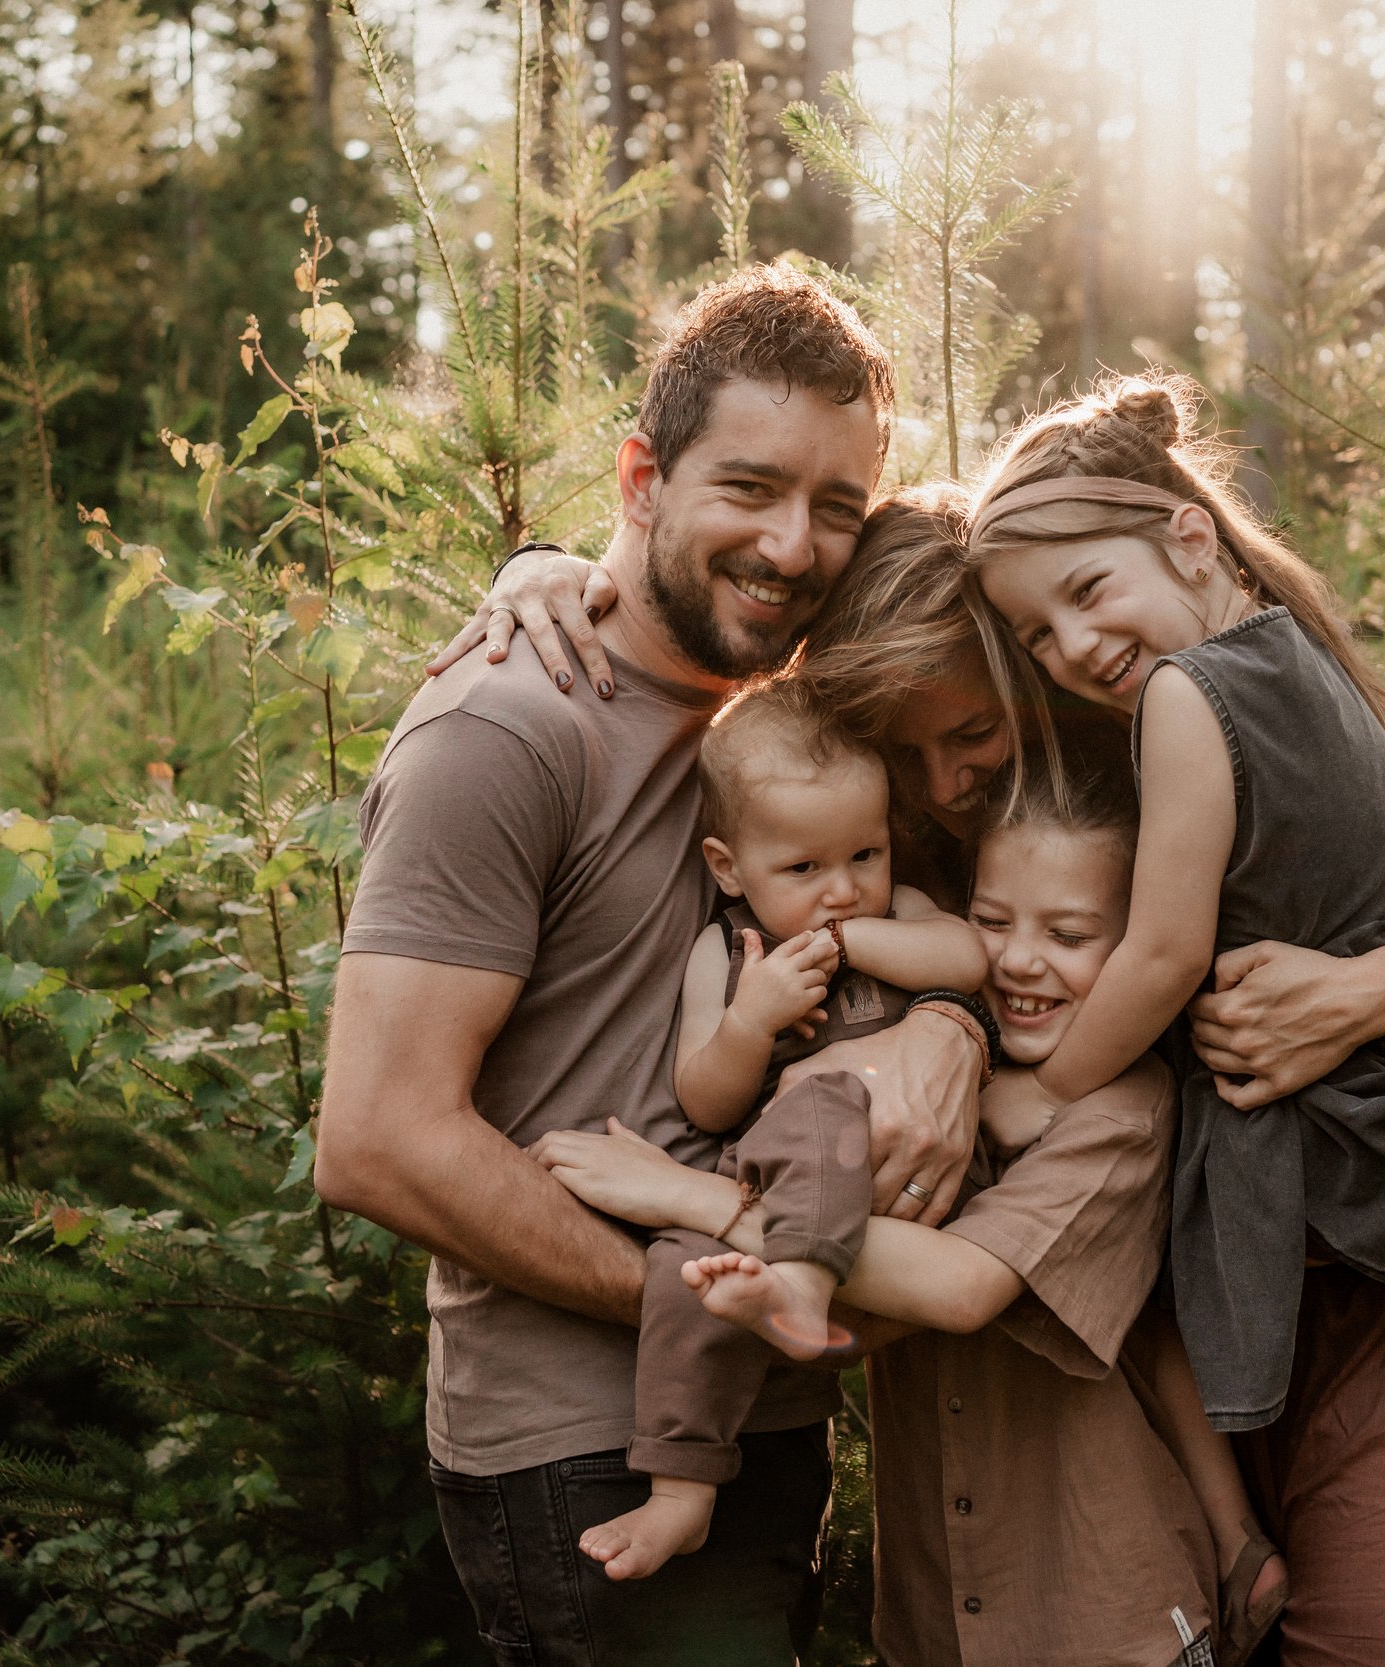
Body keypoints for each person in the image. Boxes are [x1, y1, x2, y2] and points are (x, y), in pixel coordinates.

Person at [449, 492, 1385, 1444]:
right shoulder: (862, 831)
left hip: (1354, 1258)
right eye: (905, 748)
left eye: (973, 734)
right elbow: (739, 620)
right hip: (1123, 1339)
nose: (942, 781)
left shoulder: (1152, 756)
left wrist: (1344, 999)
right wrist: (546, 567)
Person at [314, 267, 997, 1667]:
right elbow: (378, 1141)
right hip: (589, 1446)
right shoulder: (506, 729)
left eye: (835, 507)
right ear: (643, 476)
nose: (794, 545)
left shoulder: (784, 733)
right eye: (748, 486)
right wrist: (713, 1294)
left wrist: (951, 1032)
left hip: (751, 1429)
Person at [961, 372, 1385, 1664]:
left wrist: (1336, 1003)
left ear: (1191, 536)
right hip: (1242, 1281)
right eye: (1037, 633)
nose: (1071, 649)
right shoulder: (1213, 704)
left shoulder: (1212, 700)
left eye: (1089, 592)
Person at [530, 767, 1290, 1667]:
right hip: (933, 1621)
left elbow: (963, 1286)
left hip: (1101, 1614)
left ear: (1133, 948)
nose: (1017, 959)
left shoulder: (1121, 1109)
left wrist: (688, 1196)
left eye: (1071, 934)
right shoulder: (931, 1074)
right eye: (994, 923)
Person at [588, 675, 989, 1581]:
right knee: (682, 1272)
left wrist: (854, 944)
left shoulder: (895, 916)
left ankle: (798, 1293)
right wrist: (749, 1021)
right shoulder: (728, 953)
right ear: (729, 868)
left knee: (832, 1093)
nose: (842, 890)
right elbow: (705, 1101)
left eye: (865, 855)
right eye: (804, 870)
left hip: (911, 1182)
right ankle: (681, 1494)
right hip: (778, 1180)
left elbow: (967, 958)